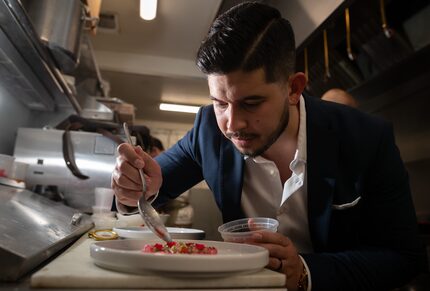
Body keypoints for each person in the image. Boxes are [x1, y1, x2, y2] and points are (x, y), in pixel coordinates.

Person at [111, 2, 426, 290]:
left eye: (251, 103)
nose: (232, 124)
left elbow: (404, 257)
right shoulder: (208, 129)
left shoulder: (366, 138)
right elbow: (148, 189)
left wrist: (304, 271)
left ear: (293, 88)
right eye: (220, 102)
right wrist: (134, 185)